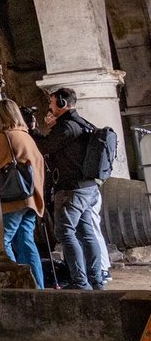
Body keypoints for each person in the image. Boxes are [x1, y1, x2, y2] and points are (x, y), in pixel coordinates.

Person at [38, 87, 105, 290]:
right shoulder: (83, 124)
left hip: (72, 190)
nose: (49, 107)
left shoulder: (67, 127)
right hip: (88, 188)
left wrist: (34, 131)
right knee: (87, 233)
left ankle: (80, 282)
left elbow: (46, 147)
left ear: (61, 102)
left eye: (51, 103)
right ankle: (96, 280)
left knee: (65, 232)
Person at [0, 99, 46, 289]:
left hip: (14, 199)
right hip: (30, 198)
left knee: (3, 241)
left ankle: (15, 286)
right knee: (26, 241)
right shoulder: (26, 136)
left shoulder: (5, 138)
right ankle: (37, 287)